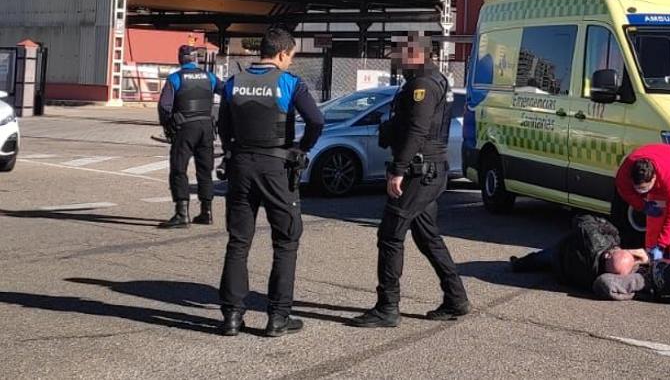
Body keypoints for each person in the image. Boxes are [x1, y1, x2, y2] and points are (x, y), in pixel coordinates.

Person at [348, 39, 470, 328]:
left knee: (390, 234)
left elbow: (418, 129)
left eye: (400, 56)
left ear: (417, 55)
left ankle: (387, 307)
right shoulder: (429, 79)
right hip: (429, 169)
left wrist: (399, 169)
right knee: (428, 237)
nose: (396, 61)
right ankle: (456, 298)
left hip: (419, 170)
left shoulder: (423, 85)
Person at [216, 26, 324, 338]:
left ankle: (232, 317)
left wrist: (232, 151)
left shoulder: (234, 82)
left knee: (238, 242)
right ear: (280, 53)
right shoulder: (290, 83)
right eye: (291, 56)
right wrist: (302, 150)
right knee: (286, 241)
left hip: (241, 165)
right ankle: (278, 317)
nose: (291, 62)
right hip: (277, 168)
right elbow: (317, 120)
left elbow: (223, 124)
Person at [156, 45, 222, 228]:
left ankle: (181, 214)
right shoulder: (209, 77)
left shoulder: (175, 78)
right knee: (205, 170)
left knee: (179, 169)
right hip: (207, 128)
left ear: (180, 59)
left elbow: (164, 107)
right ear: (196, 59)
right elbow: (226, 91)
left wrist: (168, 126)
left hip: (185, 128)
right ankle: (206, 212)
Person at [509, 213, 647, 291]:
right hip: (564, 275)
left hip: (561, 253)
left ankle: (517, 264)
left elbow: (582, 220)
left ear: (607, 254)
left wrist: (607, 229)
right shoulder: (600, 279)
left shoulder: (595, 242)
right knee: (543, 261)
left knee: (540, 258)